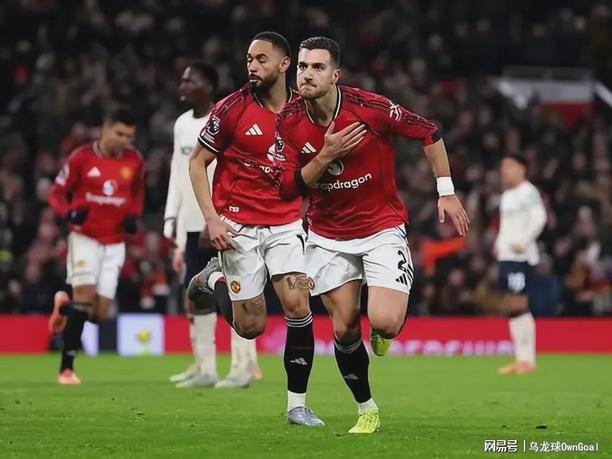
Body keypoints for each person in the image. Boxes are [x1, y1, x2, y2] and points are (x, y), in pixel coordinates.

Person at [275, 37, 469, 433]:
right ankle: (367, 408)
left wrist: (446, 191)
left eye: (317, 67)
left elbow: (429, 132)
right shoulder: (289, 121)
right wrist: (326, 155)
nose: (307, 74)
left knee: (384, 322)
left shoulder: (369, 109)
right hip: (328, 236)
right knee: (344, 327)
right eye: (302, 67)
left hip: (381, 228)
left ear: (336, 75)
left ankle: (384, 331)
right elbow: (288, 188)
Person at [188, 31, 323, 426]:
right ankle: (213, 279)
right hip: (238, 226)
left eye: (262, 59)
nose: (252, 66)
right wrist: (211, 219)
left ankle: (297, 405)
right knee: (250, 328)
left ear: (284, 64)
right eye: (249, 59)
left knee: (298, 305)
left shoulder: (306, 109)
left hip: (285, 224)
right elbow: (197, 163)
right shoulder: (232, 108)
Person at [163, 62, 260, 388]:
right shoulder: (181, 124)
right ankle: (205, 368)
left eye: (189, 80)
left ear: (208, 85)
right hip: (192, 224)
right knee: (198, 294)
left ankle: (243, 366)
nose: (182, 85)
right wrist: (172, 219)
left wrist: (216, 218)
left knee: (236, 290)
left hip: (221, 222)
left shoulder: (226, 117)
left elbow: (232, 173)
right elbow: (179, 172)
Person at [48, 106, 145, 385]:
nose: (125, 141)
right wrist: (68, 214)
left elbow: (137, 193)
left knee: (100, 314)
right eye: (120, 134)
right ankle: (66, 368)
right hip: (85, 238)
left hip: (115, 243)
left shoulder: (135, 161)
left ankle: (63, 307)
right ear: (105, 129)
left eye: (129, 136)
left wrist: (133, 216)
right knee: (84, 299)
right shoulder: (82, 157)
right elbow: (57, 193)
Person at [495, 154, 547, 375]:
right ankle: (520, 358)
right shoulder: (507, 195)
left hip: (520, 257)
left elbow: (539, 217)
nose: (504, 170)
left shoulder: (528, 191)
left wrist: (524, 242)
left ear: (522, 169)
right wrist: (499, 244)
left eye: (509, 166)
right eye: (503, 166)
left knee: (519, 304)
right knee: (511, 306)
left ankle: (527, 359)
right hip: (506, 257)